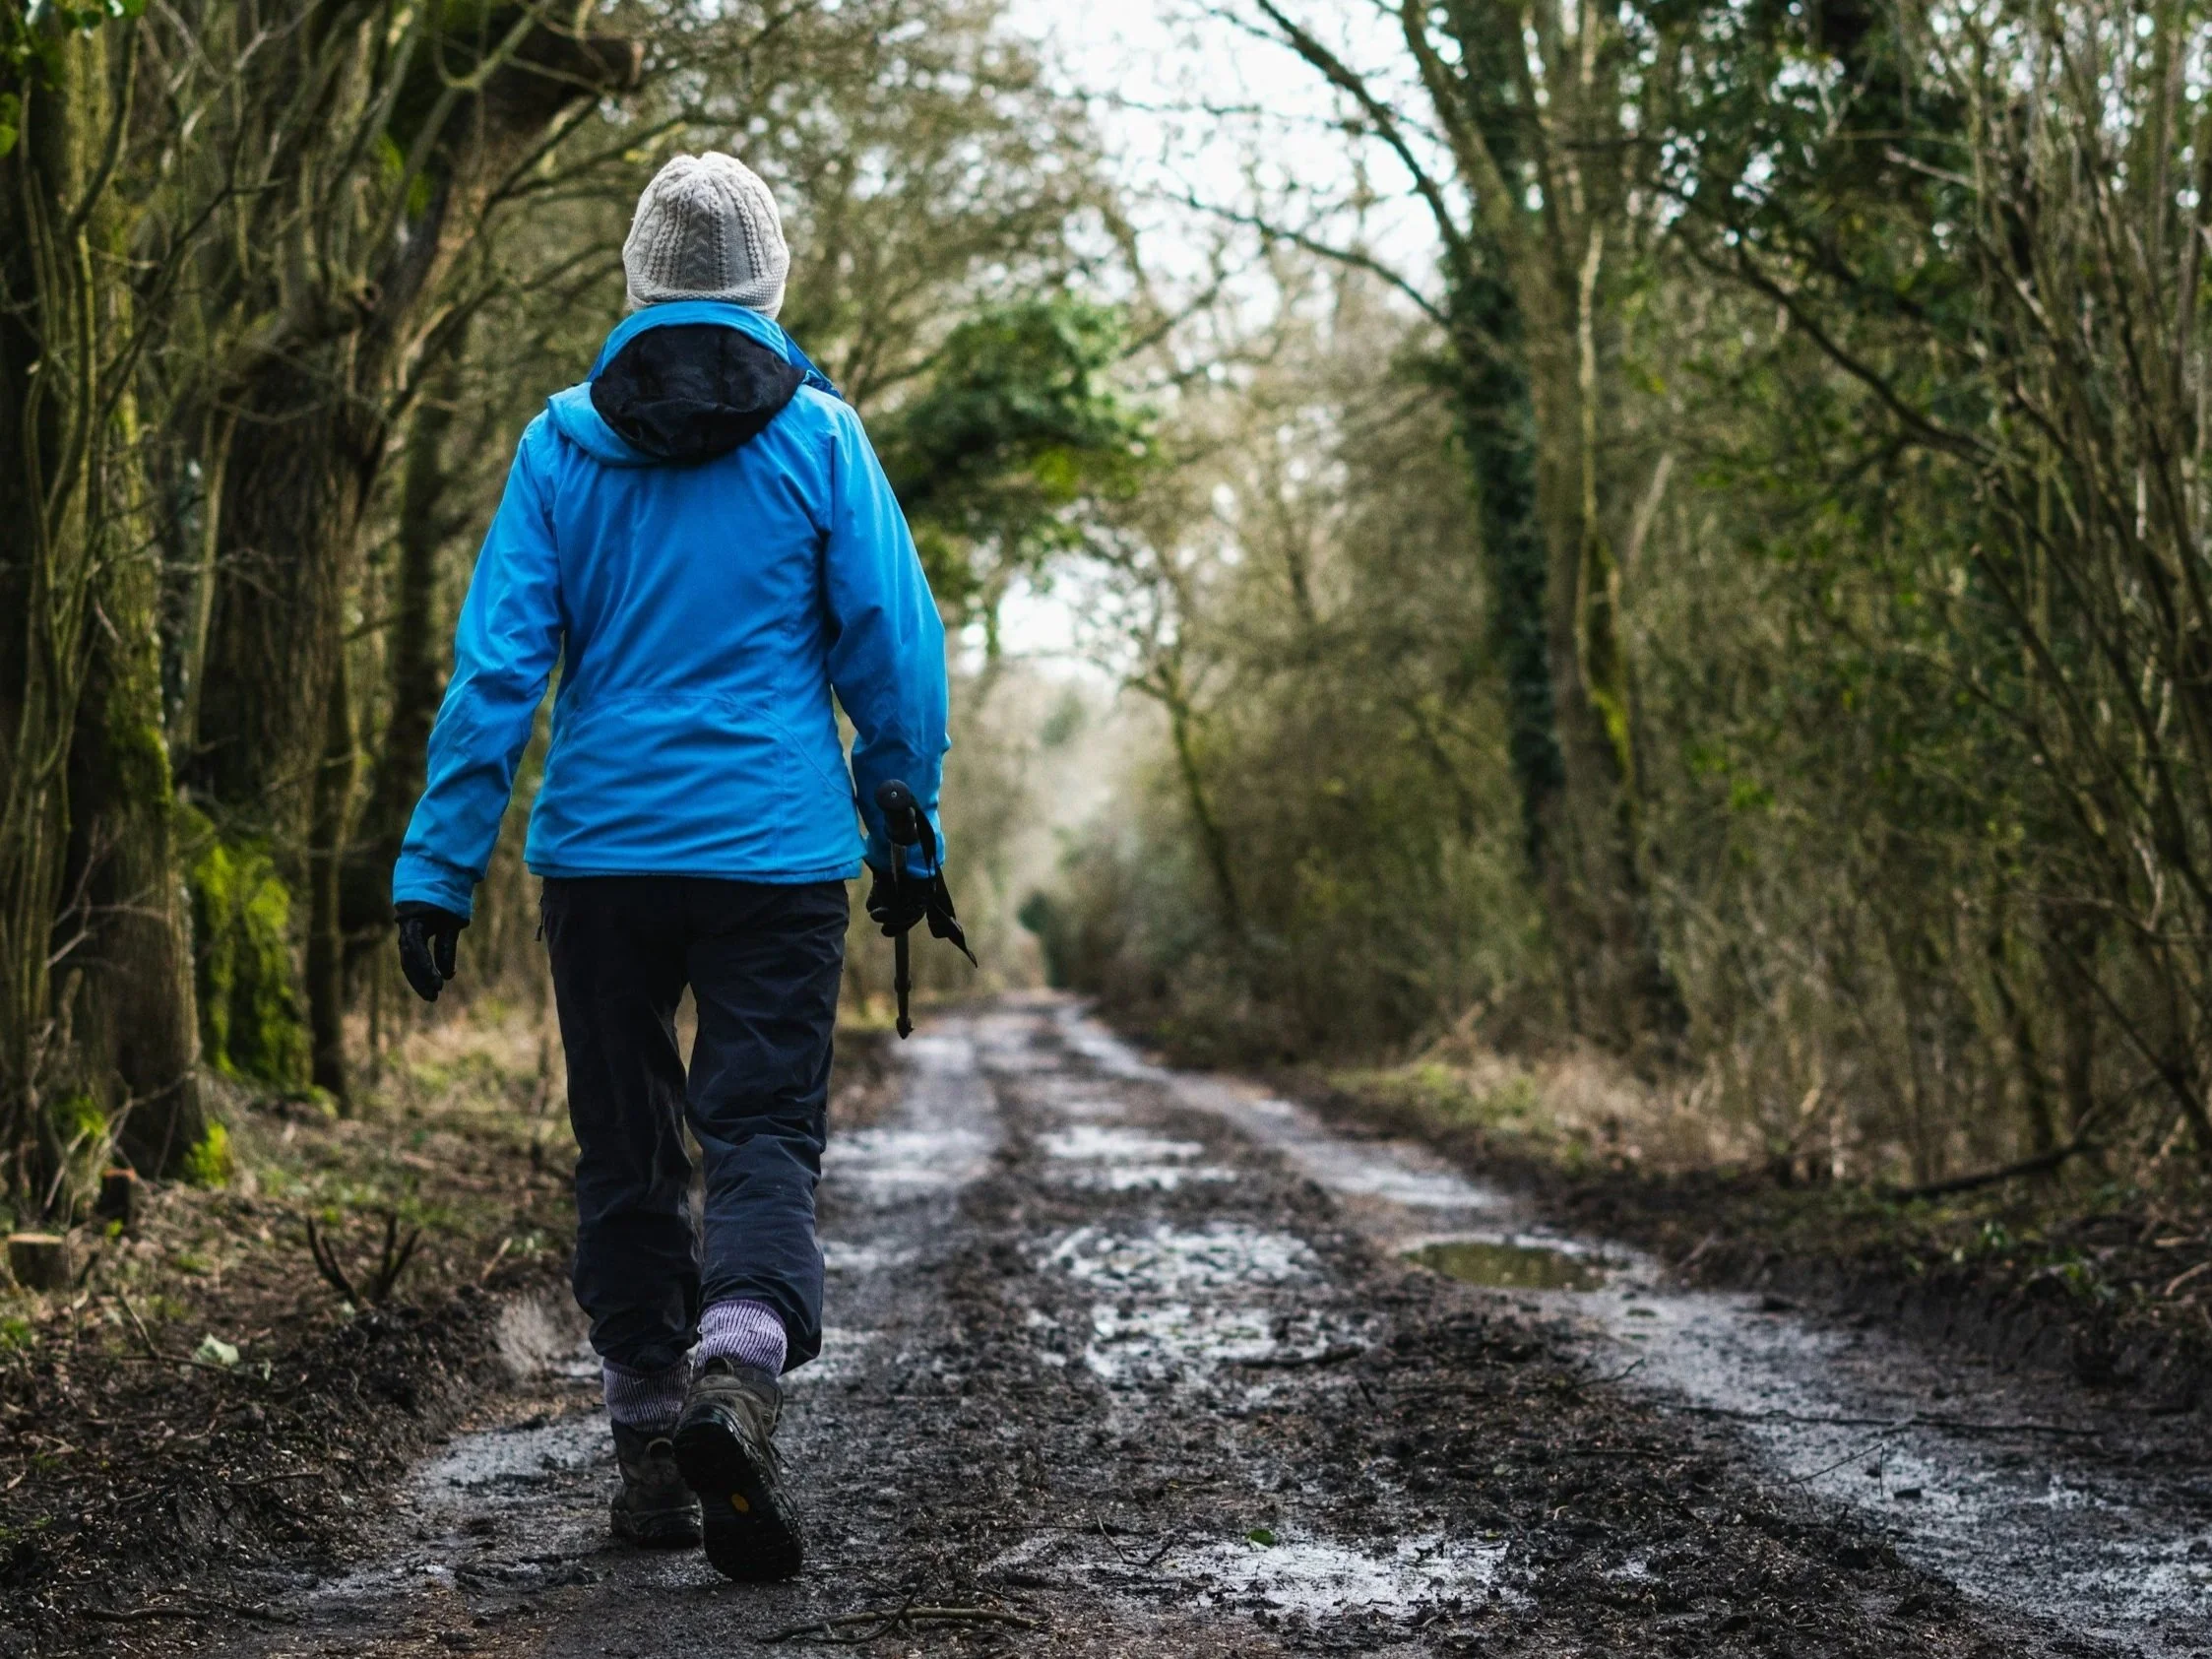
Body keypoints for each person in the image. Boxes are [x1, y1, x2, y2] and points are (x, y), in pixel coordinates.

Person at [389, 153, 949, 1582]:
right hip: (772, 852)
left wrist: (437, 866)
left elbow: (497, 672)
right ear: (768, 286)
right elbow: (892, 645)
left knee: (627, 1143)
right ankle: (737, 1375)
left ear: (637, 281)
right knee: (761, 1127)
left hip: (602, 855)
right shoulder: (821, 439)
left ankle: (649, 1445)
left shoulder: (558, 446)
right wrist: (903, 822)